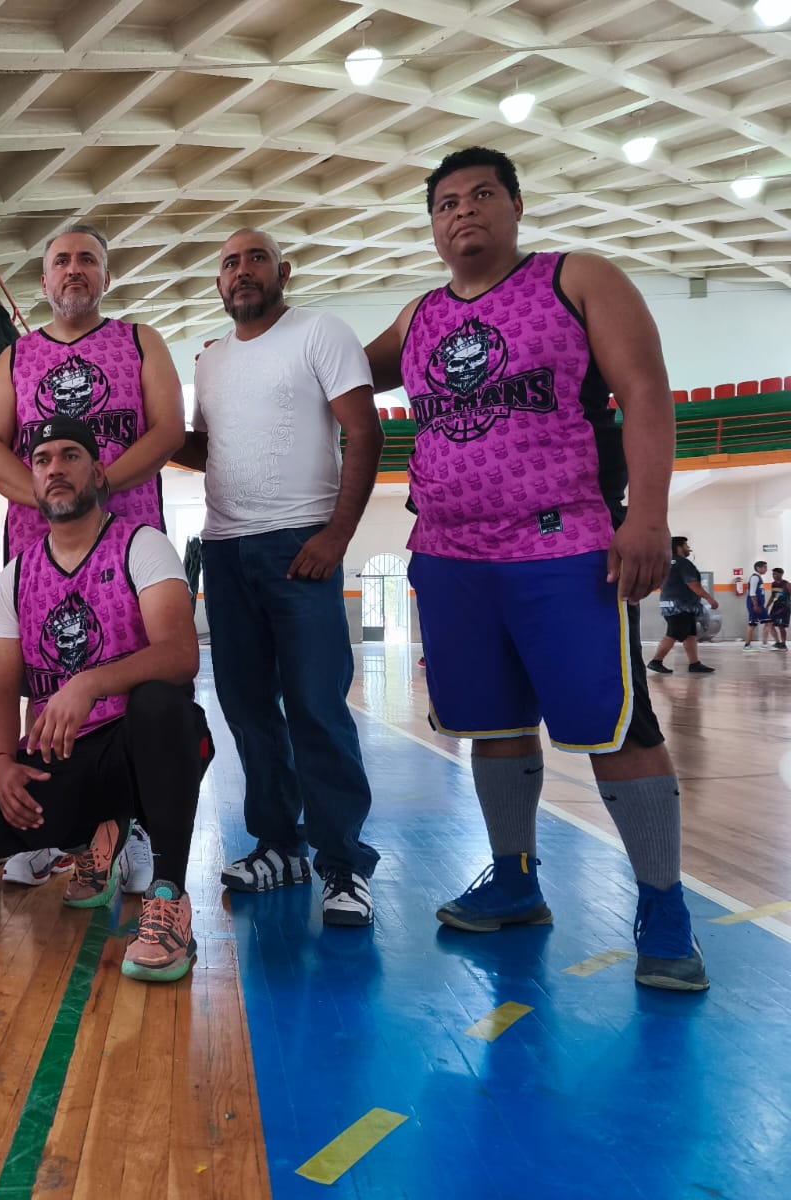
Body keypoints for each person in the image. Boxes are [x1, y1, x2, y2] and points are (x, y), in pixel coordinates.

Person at [364, 146, 708, 991]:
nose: (463, 211)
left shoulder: (576, 278)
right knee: (493, 723)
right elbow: (329, 374)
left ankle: (664, 906)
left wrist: (649, 515)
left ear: (515, 206)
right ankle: (515, 878)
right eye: (446, 202)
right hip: (450, 551)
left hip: (565, 543)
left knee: (616, 724)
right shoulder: (417, 317)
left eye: (482, 194)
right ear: (432, 225)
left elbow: (646, 390)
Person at [0, 417, 214, 984]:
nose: (54, 467)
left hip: (140, 747)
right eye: (42, 459)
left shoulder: (142, 545)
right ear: (32, 481)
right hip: (67, 756)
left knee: (160, 702)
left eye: (70, 455)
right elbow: (0, 687)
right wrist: (2, 763)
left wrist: (88, 683)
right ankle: (95, 835)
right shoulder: (15, 577)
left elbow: (182, 654)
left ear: (99, 474)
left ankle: (169, 897)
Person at [173, 228, 382, 926]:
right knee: (248, 708)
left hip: (300, 544)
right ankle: (279, 845)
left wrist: (337, 534)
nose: (242, 270)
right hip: (225, 548)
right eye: (229, 262)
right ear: (219, 283)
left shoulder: (320, 331)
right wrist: (144, 428)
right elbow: (210, 448)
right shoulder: (211, 361)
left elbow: (365, 431)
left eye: (255, 258)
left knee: (316, 706)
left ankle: (344, 864)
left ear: (282, 271)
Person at [0, 224, 185, 888]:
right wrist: (41, 496)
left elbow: (169, 430)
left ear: (106, 277)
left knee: (139, 672)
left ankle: (136, 821)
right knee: (45, 673)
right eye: (60, 260)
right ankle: (51, 821)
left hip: (126, 530)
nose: (73, 269)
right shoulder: (17, 356)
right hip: (43, 534)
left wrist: (100, 485)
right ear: (43, 281)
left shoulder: (140, 340)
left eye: (87, 259)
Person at [649, 536, 718, 674]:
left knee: (690, 635)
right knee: (673, 634)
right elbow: (693, 584)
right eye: (686, 546)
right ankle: (656, 661)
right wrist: (710, 599)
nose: (689, 548)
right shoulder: (683, 563)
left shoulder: (664, 564)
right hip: (681, 606)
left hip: (671, 604)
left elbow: (658, 584)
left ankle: (694, 663)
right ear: (679, 547)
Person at [743, 560, 769, 652]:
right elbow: (752, 593)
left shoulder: (759, 578)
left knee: (768, 622)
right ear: (758, 568)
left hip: (759, 605)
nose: (766, 569)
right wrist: (755, 605)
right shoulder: (755, 578)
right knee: (752, 624)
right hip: (754, 604)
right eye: (764, 567)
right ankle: (747, 645)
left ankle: (764, 643)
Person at [769, 567, 790, 648]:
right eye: (773, 574)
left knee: (781, 626)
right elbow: (772, 596)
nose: (774, 576)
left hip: (784, 608)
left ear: (781, 574)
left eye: (776, 574)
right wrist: (767, 606)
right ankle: (777, 642)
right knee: (770, 624)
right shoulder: (773, 584)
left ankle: (783, 643)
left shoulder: (786, 584)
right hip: (775, 607)